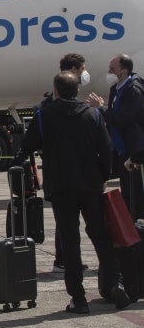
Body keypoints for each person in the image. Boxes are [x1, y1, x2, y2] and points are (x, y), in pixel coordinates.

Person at [22, 73, 129, 312]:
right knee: (100, 235)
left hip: (61, 186)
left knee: (70, 240)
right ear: (77, 89)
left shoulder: (44, 115)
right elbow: (106, 148)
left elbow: (27, 146)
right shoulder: (93, 114)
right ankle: (115, 282)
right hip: (90, 184)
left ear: (56, 90)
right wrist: (101, 178)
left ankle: (78, 298)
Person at [35, 53, 90, 272]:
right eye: (83, 68)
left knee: (68, 221)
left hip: (62, 171)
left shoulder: (54, 101)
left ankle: (68, 259)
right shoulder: (57, 101)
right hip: (65, 171)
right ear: (75, 69)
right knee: (67, 221)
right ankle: (63, 259)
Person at [86, 54, 144, 219]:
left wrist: (102, 109)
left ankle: (138, 228)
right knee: (126, 191)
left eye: (113, 68)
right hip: (120, 148)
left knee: (136, 193)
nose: (109, 71)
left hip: (133, 149)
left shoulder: (134, 89)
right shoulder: (116, 89)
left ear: (124, 71)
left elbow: (123, 119)